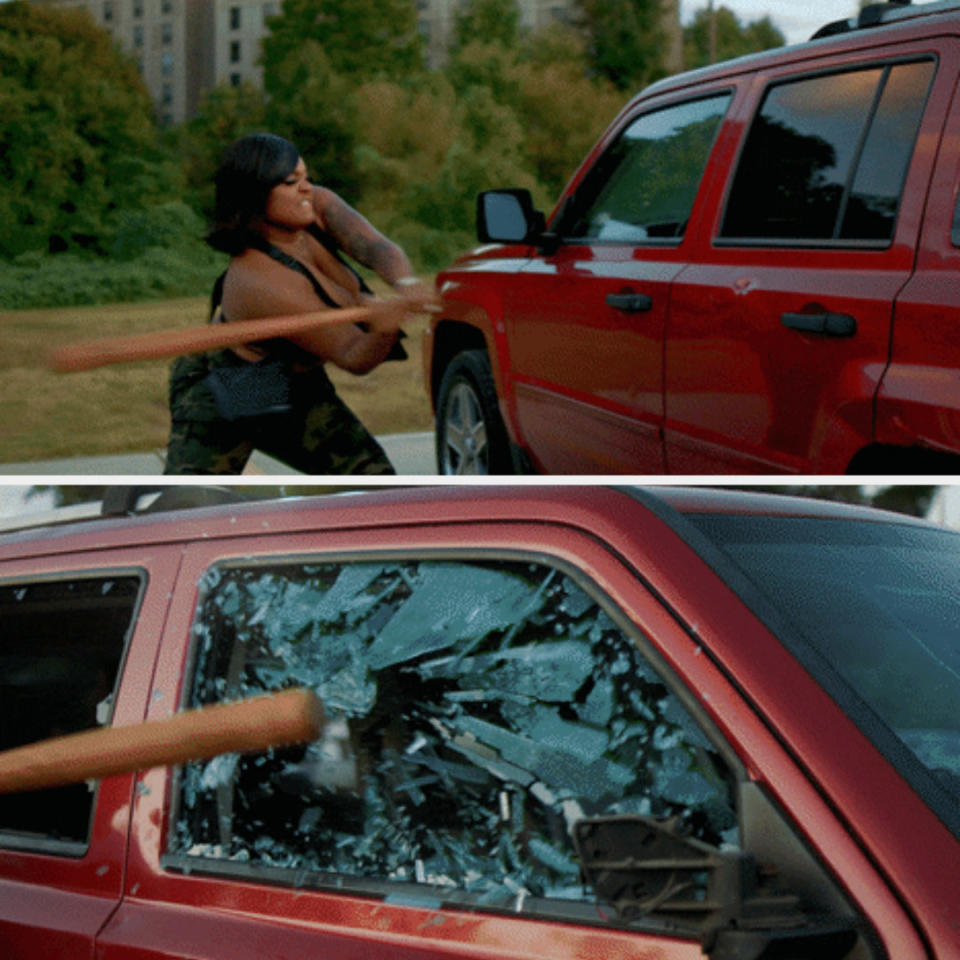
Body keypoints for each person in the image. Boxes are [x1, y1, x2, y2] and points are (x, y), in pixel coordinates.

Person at [164, 132, 434, 475]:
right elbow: (353, 353)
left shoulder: (316, 206)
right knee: (191, 504)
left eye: (306, 177)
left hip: (298, 379)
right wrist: (384, 328)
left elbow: (374, 247)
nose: (306, 188)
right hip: (231, 382)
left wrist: (405, 283)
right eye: (291, 182)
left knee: (373, 481)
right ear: (255, 194)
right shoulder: (258, 281)